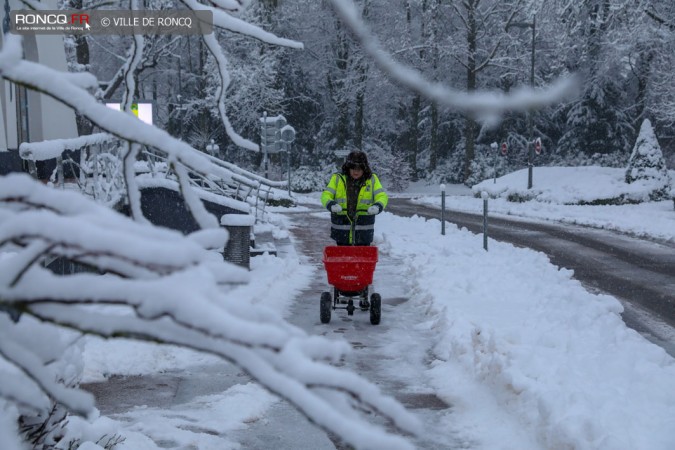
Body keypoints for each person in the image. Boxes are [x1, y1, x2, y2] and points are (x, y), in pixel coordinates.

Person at [321, 150, 388, 246]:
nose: (356, 171)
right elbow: (326, 195)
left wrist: (378, 206)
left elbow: (382, 196)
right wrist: (331, 204)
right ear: (348, 167)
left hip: (364, 229)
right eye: (353, 168)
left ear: (364, 168)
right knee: (343, 258)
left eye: (359, 168)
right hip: (342, 228)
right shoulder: (337, 179)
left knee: (363, 259)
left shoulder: (372, 180)